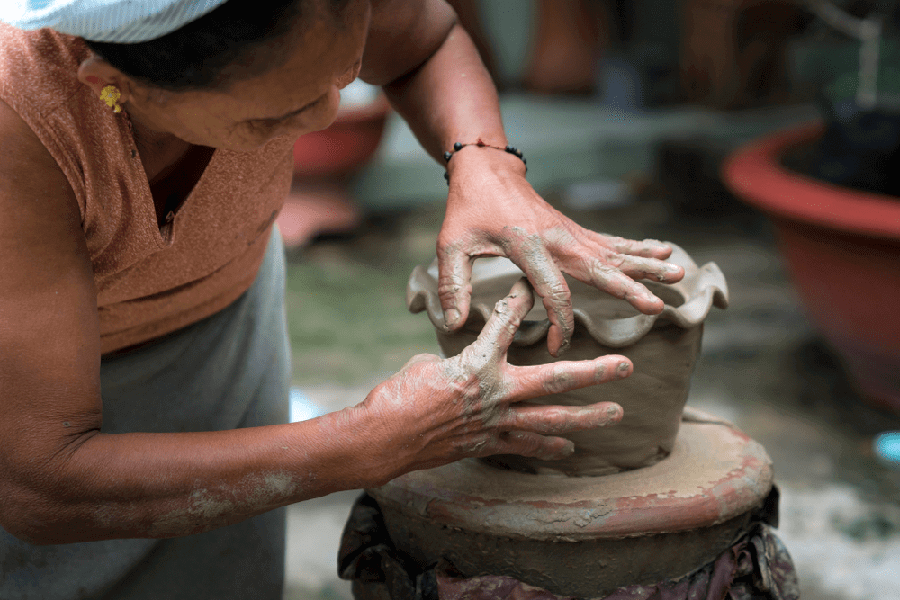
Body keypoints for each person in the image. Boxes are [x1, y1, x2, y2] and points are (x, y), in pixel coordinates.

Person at [0, 0, 685, 598]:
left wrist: (483, 161)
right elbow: (41, 483)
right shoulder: (21, 117)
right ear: (113, 86)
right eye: (281, 111)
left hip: (226, 323)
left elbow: (425, 39)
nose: (328, 114)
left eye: (342, 71)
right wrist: (365, 443)